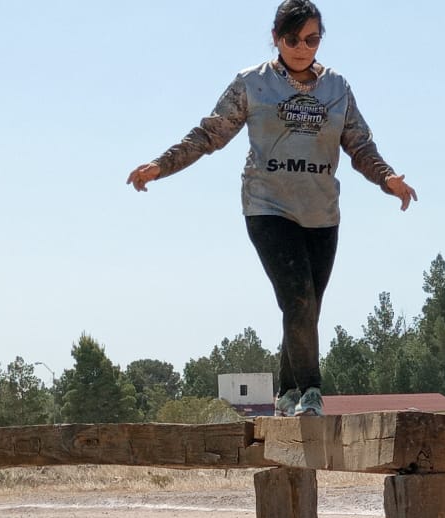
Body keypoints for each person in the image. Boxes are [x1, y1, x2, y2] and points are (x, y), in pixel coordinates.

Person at [127, 0, 417, 417]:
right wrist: (162, 164)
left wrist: (387, 178)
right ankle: (312, 391)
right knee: (297, 297)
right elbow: (210, 134)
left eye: (312, 39)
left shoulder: (337, 88)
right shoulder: (252, 84)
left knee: (305, 305)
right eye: (292, 39)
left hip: (321, 210)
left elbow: (359, 144)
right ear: (276, 38)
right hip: (268, 207)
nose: (302, 47)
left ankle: (286, 394)